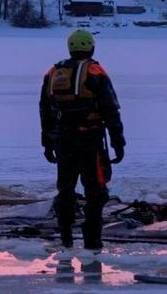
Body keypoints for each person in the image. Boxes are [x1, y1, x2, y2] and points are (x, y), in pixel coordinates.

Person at [40, 30, 125, 250]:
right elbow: (111, 109)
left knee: (66, 189)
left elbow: (45, 110)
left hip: (63, 141)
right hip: (90, 141)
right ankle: (92, 240)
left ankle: (66, 235)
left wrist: (47, 142)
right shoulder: (95, 70)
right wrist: (118, 141)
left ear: (70, 48)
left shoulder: (53, 72)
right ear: (91, 48)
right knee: (96, 190)